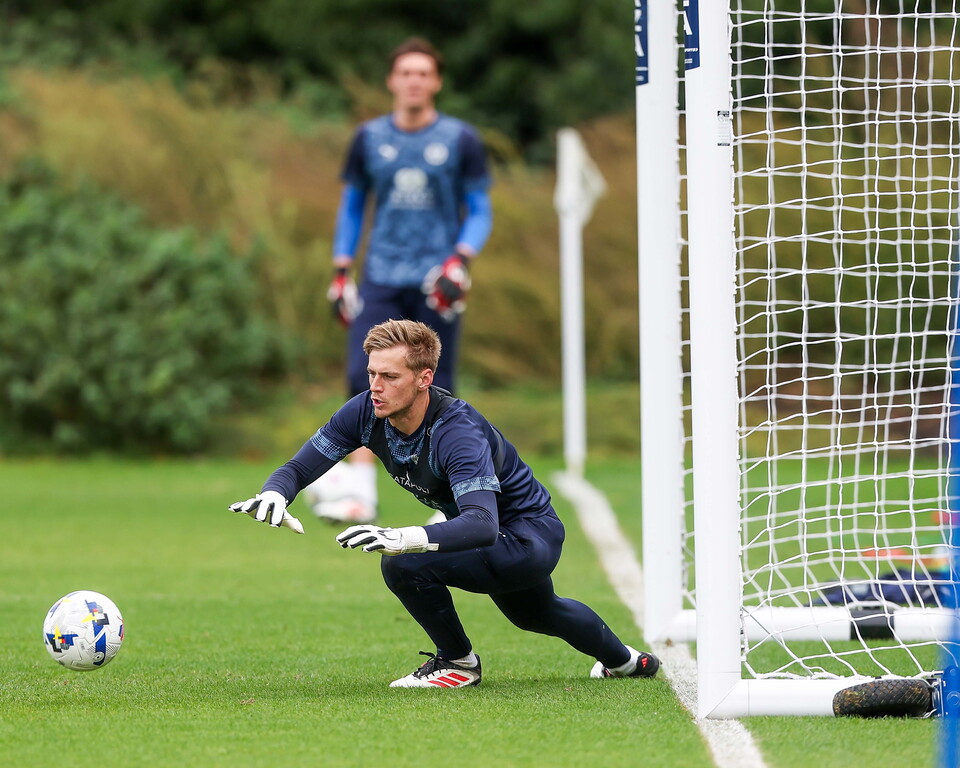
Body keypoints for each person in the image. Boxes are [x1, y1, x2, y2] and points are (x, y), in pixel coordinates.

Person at [229, 319, 660, 688]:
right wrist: (275, 492)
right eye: (372, 374)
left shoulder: (458, 433)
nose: (376, 388)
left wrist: (402, 537)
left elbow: (482, 524)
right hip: (493, 538)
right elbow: (300, 466)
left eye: (390, 377)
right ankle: (629, 662)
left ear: (424, 378)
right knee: (537, 614)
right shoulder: (364, 411)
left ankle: (457, 663)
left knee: (403, 563)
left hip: (527, 539)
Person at [312, 36, 493, 525]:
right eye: (405, 72)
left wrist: (460, 259)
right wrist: (341, 267)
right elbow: (352, 206)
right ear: (392, 80)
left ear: (436, 81)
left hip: (436, 278)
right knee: (364, 378)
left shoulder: (460, 139)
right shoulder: (369, 138)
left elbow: (479, 210)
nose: (414, 80)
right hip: (381, 274)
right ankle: (361, 494)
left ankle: (451, 502)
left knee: (440, 386)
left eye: (423, 73)